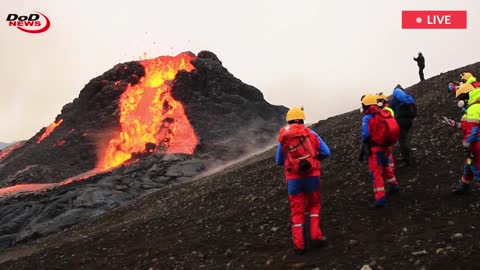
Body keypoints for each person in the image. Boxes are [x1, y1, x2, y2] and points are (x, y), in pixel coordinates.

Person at [276, 107, 330, 255]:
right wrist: (313, 160)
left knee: (297, 211)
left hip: (294, 180)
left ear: (289, 120)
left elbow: (279, 161)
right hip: (312, 176)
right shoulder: (311, 134)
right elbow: (326, 152)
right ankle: (315, 235)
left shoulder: (284, 138)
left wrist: (292, 162)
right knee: (313, 205)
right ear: (302, 119)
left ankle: (299, 246)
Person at [359, 94, 400, 207]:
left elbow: (365, 134)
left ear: (365, 105)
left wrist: (363, 141)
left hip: (375, 149)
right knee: (386, 166)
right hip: (386, 146)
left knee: (376, 172)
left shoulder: (367, 117)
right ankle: (394, 185)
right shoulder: (382, 113)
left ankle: (380, 198)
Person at [441, 83, 480, 193]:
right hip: (475, 142)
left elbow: (473, 130)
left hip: (477, 144)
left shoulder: (473, 108)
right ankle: (464, 187)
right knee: (469, 166)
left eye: (460, 99)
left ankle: (464, 188)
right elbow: (470, 125)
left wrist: (466, 144)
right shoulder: (475, 106)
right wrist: (455, 124)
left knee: (477, 168)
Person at [388, 85, 417, 167]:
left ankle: (407, 160)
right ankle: (408, 156)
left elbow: (390, 107)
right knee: (405, 138)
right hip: (409, 121)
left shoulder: (396, 98)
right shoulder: (408, 97)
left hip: (401, 121)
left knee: (402, 140)